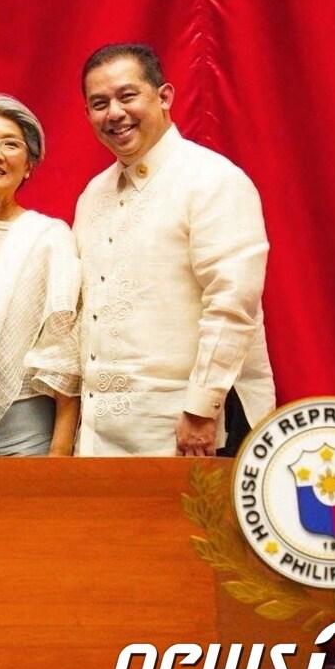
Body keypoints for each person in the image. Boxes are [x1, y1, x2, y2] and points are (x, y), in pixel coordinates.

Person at [73, 43, 274, 456]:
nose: (114, 113)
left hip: (190, 428)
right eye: (99, 103)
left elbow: (233, 302)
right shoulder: (93, 194)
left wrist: (202, 409)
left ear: (164, 97)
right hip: (99, 434)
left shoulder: (212, 179)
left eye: (127, 96)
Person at [0, 95, 80, 456]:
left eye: (11, 144)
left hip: (23, 428)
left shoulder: (49, 237)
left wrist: (60, 449)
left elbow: (65, 347)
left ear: (29, 166)